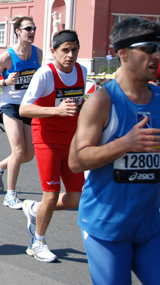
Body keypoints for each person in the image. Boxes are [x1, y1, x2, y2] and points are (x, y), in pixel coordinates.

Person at [69, 17, 160, 284]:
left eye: (158, 47)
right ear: (123, 53)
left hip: (149, 227)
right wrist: (125, 144)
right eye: (148, 47)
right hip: (106, 229)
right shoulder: (102, 100)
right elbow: (76, 160)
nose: (156, 55)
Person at [19, 29, 87, 263]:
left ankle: (35, 210)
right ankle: (36, 242)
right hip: (46, 138)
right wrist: (56, 111)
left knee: (76, 198)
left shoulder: (82, 71)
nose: (70, 55)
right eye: (65, 50)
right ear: (54, 51)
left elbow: (78, 103)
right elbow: (24, 109)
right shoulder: (45, 74)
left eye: (74, 50)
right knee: (52, 193)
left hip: (72, 140)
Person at [0, 17, 42, 209]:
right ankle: (10, 195)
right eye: (28, 28)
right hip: (10, 105)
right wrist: (5, 82)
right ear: (18, 31)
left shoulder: (38, 54)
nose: (32, 31)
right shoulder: (7, 57)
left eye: (33, 28)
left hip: (28, 106)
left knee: (27, 155)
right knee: (18, 150)